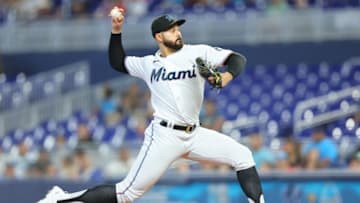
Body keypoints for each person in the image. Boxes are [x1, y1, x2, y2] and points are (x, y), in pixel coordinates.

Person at [37, 8, 265, 203]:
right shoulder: (148, 64)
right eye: (172, 29)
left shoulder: (197, 52)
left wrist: (225, 78)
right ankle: (60, 198)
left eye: (178, 28)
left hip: (194, 134)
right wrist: (116, 30)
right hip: (164, 136)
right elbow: (117, 62)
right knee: (126, 193)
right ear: (159, 36)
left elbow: (238, 59)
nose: (178, 32)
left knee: (242, 155)